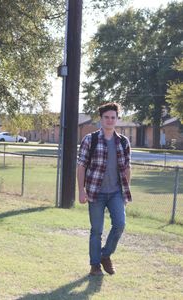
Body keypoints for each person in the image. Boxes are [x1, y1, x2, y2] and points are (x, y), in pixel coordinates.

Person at [77, 102, 132, 276]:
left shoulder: (123, 142)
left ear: (117, 119)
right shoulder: (90, 140)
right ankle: (95, 265)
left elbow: (127, 168)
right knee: (96, 230)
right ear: (101, 119)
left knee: (120, 224)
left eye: (112, 118)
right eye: (106, 117)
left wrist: (125, 191)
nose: (109, 120)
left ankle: (105, 255)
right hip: (95, 192)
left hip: (116, 192)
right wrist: (81, 190)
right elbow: (81, 166)